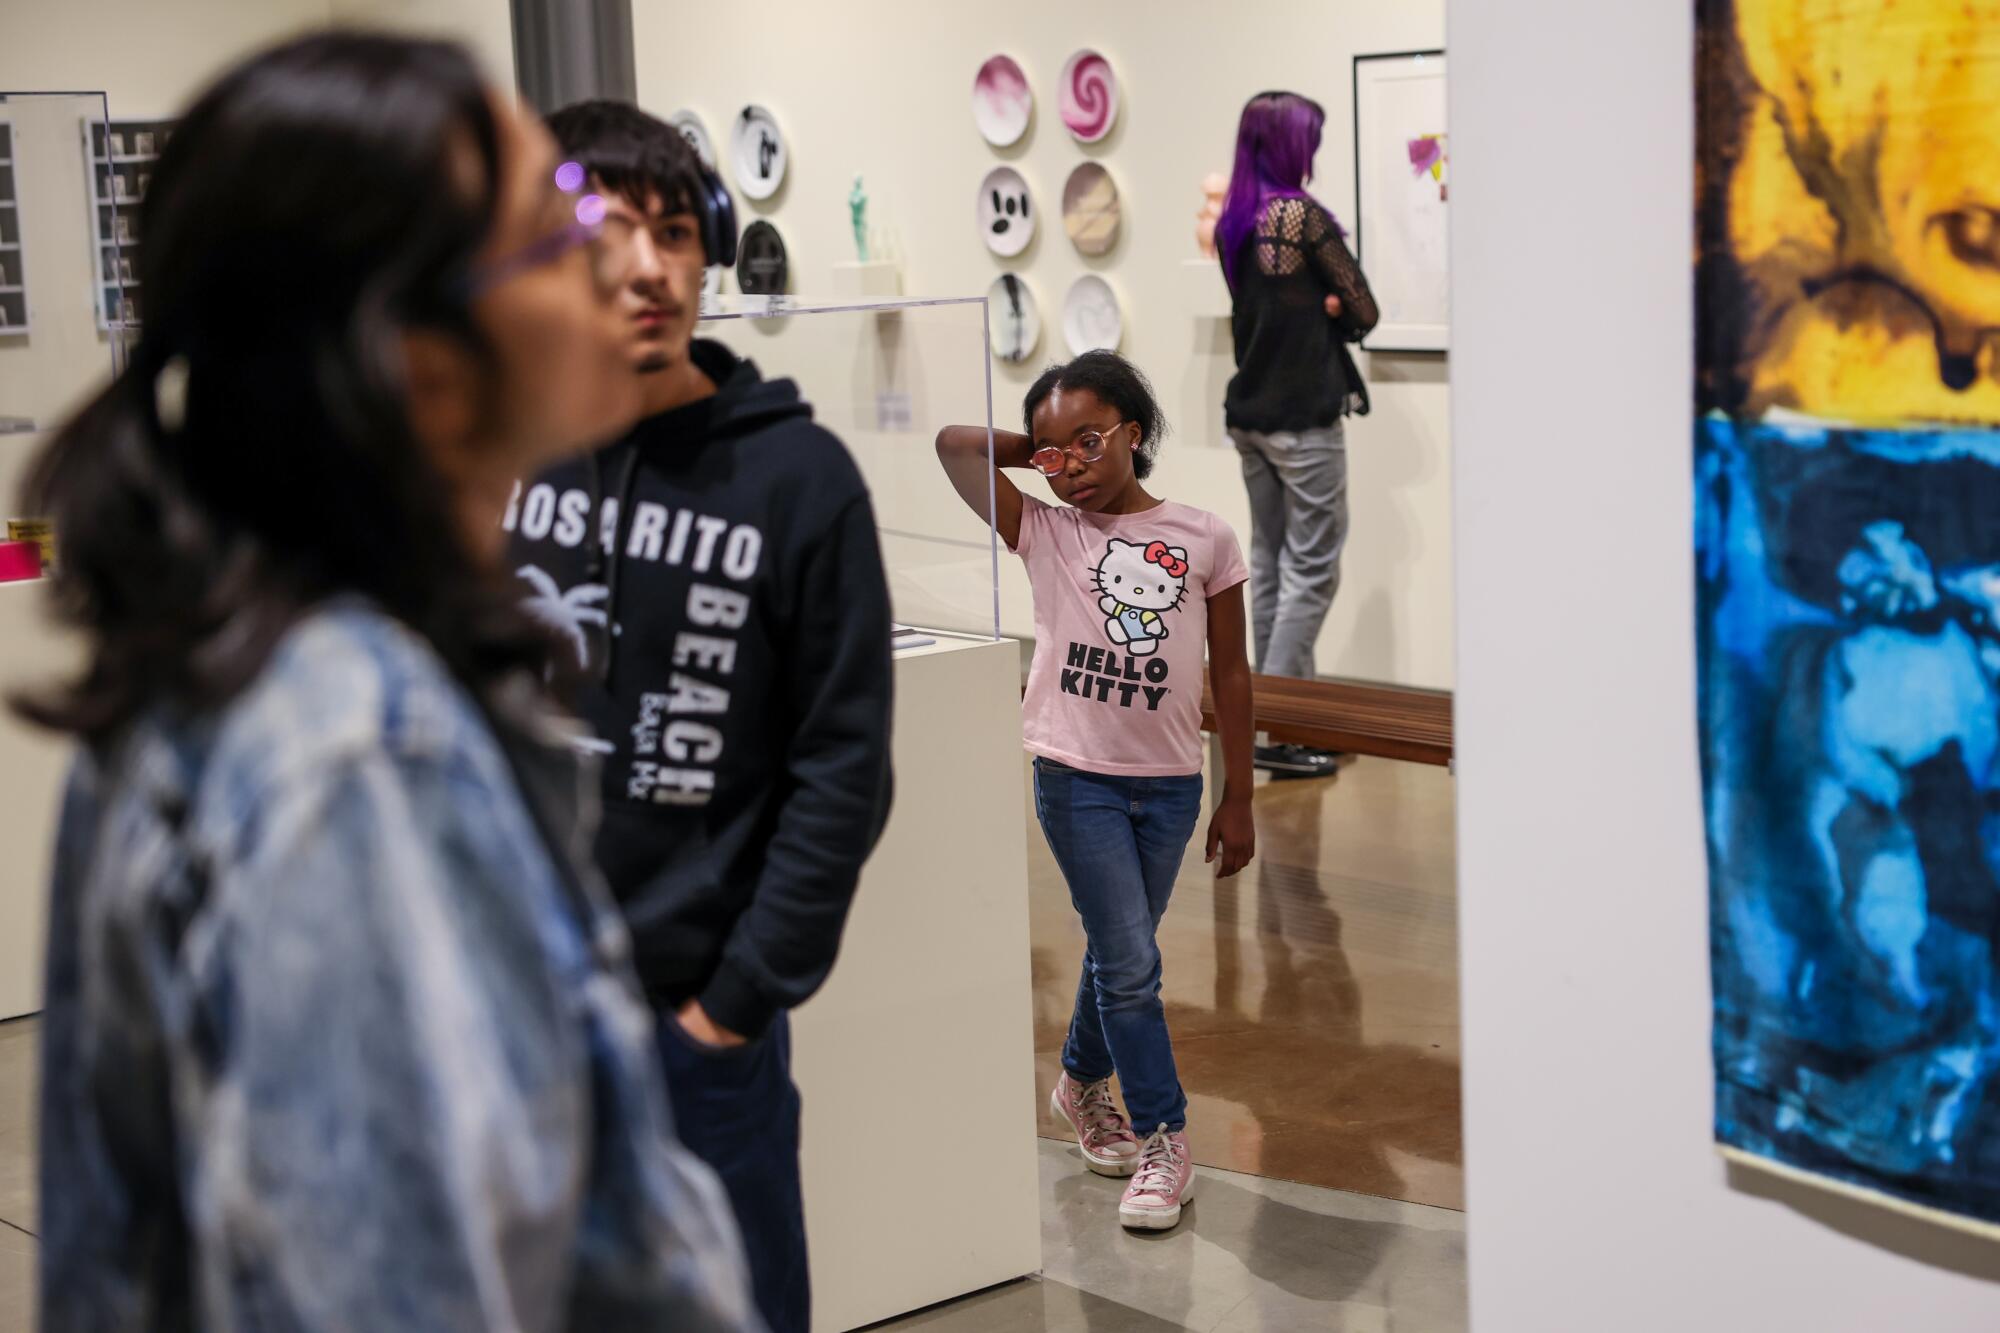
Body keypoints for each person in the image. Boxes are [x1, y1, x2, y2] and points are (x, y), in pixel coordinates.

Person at [18, 34, 759, 1331]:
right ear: (418, 363)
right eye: (560, 226)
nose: (622, 264)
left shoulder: (252, 674)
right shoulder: (355, 754)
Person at [504, 100, 894, 1333]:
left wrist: (729, 1005)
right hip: (508, 1021)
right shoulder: (494, 458)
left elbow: (842, 768)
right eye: (607, 231)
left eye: (673, 231)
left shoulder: (798, 480)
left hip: (698, 1030)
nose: (647, 268)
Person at [935, 351, 1257, 1232]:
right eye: (1050, 455)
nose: (1068, 466)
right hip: (1074, 780)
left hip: (1171, 786)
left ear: (1135, 434)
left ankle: (1079, 1084)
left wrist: (1241, 795)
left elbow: (1230, 672)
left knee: (1124, 954)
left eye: (1089, 442)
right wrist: (1048, 449)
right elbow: (955, 445)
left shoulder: (1205, 536)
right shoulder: (1045, 529)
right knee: (1130, 964)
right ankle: (1164, 1135)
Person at [1216, 90, 1380, 780]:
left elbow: (1278, 310)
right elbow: (1364, 307)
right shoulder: (1299, 218)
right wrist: (1336, 306)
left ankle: (1292, 716)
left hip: (1249, 417)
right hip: (1301, 423)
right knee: (1312, 569)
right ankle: (1275, 728)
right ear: (1287, 145)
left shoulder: (1236, 223)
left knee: (1273, 562)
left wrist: (1326, 305)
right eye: (1307, 139)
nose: (1312, 151)